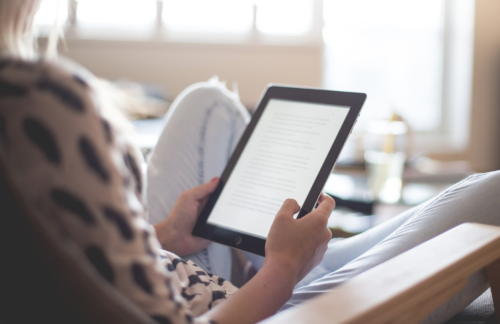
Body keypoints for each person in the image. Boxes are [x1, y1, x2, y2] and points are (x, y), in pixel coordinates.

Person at [0, 1, 499, 323]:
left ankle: (268, 252)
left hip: (186, 272)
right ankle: (284, 262)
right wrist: (281, 270)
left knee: (207, 102)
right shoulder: (37, 100)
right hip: (249, 312)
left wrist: (166, 234)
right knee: (492, 194)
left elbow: (80, 256)